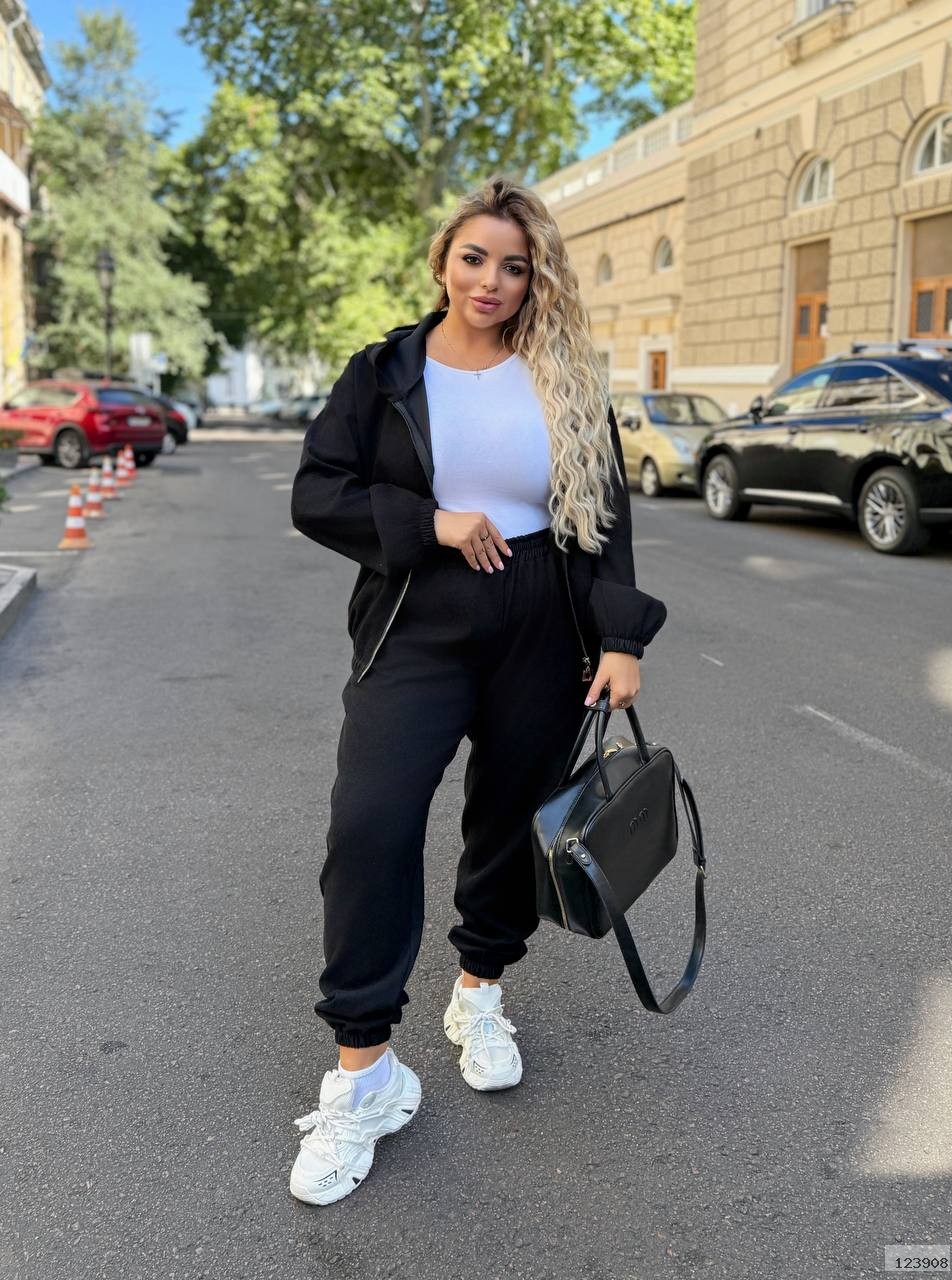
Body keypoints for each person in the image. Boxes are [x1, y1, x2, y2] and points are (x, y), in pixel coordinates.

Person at [288, 175, 667, 1206]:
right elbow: (316, 492)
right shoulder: (384, 373)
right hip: (417, 621)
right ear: (441, 261)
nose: (489, 280)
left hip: (541, 623)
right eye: (472, 258)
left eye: (513, 265)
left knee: (506, 823)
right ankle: (365, 1072)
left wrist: (619, 636)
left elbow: (602, 518)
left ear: (534, 278)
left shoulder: (563, 380)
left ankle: (479, 991)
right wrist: (432, 522)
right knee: (369, 823)